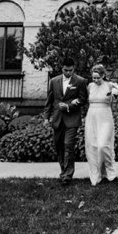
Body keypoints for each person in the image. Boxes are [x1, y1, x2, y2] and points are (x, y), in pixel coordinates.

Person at [43, 57, 88, 185]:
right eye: (65, 70)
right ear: (61, 68)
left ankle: (68, 175)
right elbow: (49, 102)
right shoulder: (53, 81)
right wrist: (46, 118)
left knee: (68, 145)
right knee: (59, 146)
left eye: (70, 70)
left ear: (74, 69)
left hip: (72, 119)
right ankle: (63, 170)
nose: (68, 73)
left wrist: (70, 105)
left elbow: (83, 100)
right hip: (57, 119)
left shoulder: (80, 81)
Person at [84, 64, 118, 186]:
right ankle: (96, 173)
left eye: (98, 77)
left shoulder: (109, 85)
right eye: (94, 78)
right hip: (92, 117)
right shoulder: (90, 86)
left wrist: (117, 93)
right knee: (93, 146)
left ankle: (110, 169)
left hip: (105, 117)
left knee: (103, 145)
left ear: (103, 76)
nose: (96, 80)